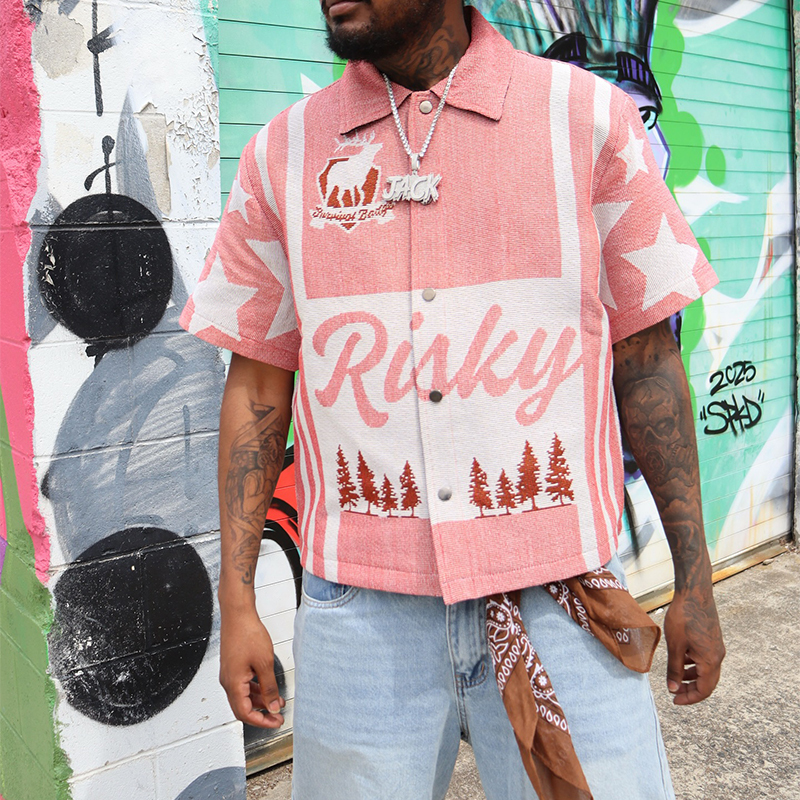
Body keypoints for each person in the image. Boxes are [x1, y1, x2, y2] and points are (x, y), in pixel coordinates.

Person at [180, 1, 726, 797]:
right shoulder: (283, 154)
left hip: (564, 602)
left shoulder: (587, 119)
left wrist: (695, 579)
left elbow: (646, 358)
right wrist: (237, 600)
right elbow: (258, 380)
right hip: (359, 622)